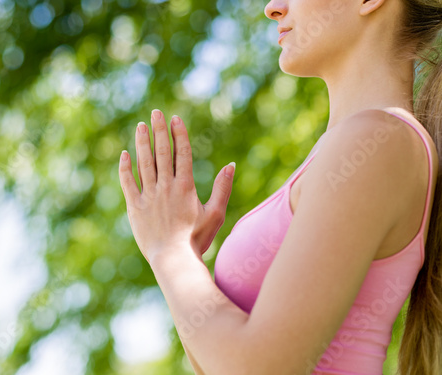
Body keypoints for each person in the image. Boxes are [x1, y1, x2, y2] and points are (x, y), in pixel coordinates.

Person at [118, 0, 442, 374]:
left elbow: (258, 368)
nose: (272, 7)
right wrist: (186, 258)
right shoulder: (355, 147)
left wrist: (169, 251)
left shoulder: (378, 141)